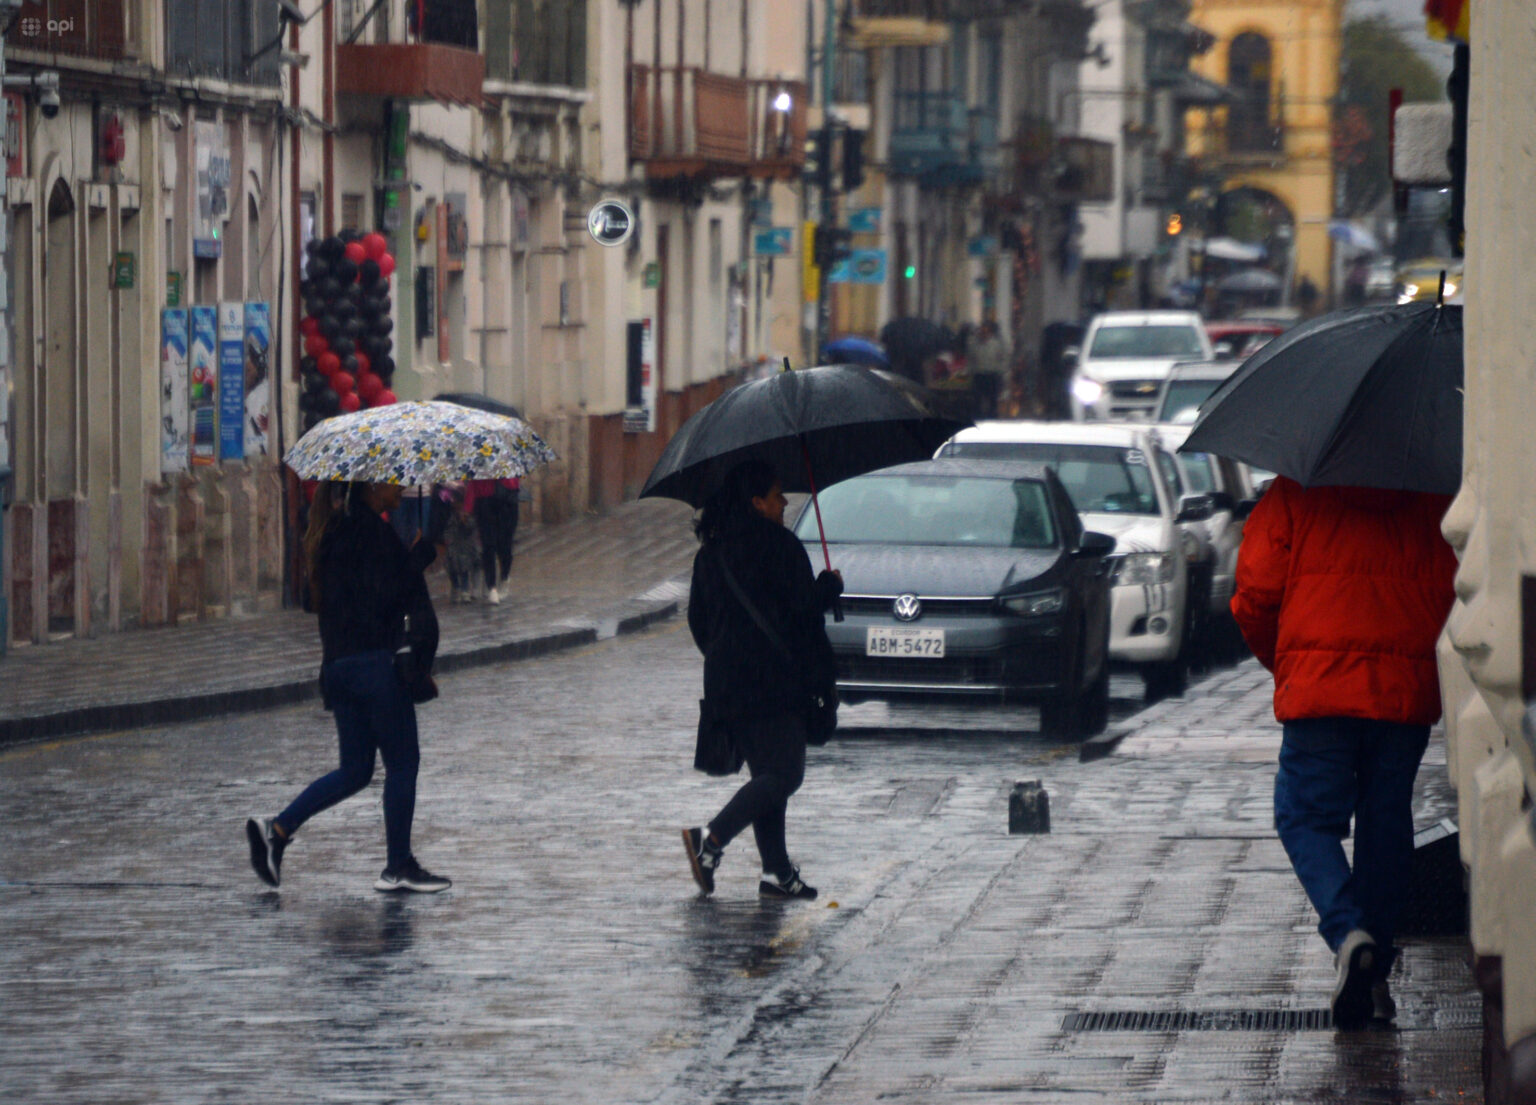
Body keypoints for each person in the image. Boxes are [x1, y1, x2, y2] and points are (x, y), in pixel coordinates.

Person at [1231, 476, 1456, 1029]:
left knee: (1304, 815)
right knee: (1386, 824)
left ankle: (1346, 929)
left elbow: (1255, 594)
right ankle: (1373, 971)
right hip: (1403, 690)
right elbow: (1459, 586)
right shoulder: (1432, 493)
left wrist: (1291, 664)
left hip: (1321, 693)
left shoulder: (1296, 491)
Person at [246, 479, 451, 894]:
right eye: (394, 479)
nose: (402, 485)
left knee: (356, 770)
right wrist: (417, 559)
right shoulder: (370, 532)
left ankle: (278, 829)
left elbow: (319, 600)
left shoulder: (331, 532)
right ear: (372, 487)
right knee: (403, 762)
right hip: (374, 667)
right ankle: (398, 866)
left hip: (339, 668)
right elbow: (385, 598)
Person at [682, 459, 843, 900]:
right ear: (756, 503)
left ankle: (777, 872)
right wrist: (829, 588)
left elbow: (698, 621)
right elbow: (802, 612)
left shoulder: (709, 553)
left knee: (768, 776)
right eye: (776, 495)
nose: (785, 501)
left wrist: (723, 656)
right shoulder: (780, 546)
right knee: (785, 776)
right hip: (775, 683)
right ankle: (710, 841)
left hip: (727, 684)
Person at [464, 477, 519, 605]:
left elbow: (514, 482)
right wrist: (468, 506)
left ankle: (504, 577)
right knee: (488, 546)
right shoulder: (480, 460)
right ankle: (491, 587)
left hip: (506, 501)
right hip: (484, 502)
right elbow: (473, 482)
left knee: (505, 545)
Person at [968, 320, 1009, 420]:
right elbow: (970, 358)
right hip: (978, 375)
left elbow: (1003, 358)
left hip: (992, 375)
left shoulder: (996, 344)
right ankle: (978, 417)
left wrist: (1001, 372)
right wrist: (971, 371)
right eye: (982, 331)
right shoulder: (974, 344)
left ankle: (992, 418)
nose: (983, 333)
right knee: (977, 399)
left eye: (986, 331)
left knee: (992, 399)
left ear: (990, 332)